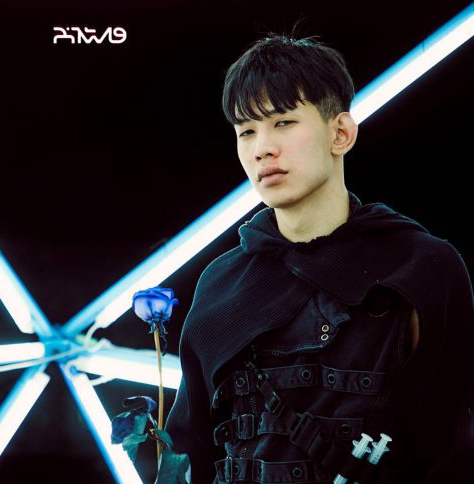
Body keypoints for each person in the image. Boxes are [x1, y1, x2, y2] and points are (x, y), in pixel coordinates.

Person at [165, 35, 474, 483]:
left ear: (340, 133)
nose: (262, 148)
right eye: (247, 131)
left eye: (283, 122)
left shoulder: (418, 268)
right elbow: (189, 452)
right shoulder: (220, 284)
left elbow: (450, 451)